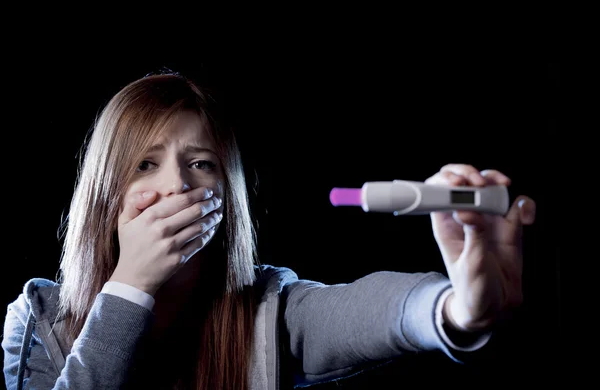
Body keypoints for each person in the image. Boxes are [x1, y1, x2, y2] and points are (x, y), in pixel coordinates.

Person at [2, 71, 536, 390]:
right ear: (106, 192)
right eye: (145, 165)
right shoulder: (38, 321)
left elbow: (372, 311)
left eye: (202, 164)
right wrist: (130, 287)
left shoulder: (268, 312)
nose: (177, 187)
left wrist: (461, 310)